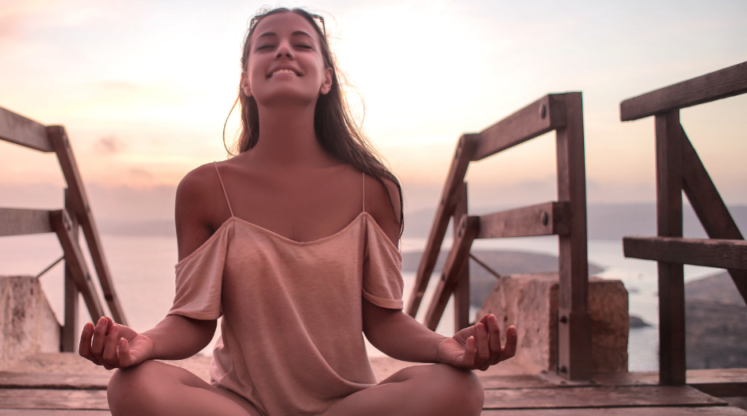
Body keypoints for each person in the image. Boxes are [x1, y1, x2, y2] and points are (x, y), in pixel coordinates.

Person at [79, 7, 518, 416]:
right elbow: (193, 320)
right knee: (130, 386)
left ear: (326, 78)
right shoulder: (205, 188)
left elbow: (383, 320)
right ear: (246, 81)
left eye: (302, 44)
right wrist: (144, 344)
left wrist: (445, 348)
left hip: (348, 405)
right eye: (266, 44)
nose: (284, 49)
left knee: (461, 390)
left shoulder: (375, 190)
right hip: (240, 406)